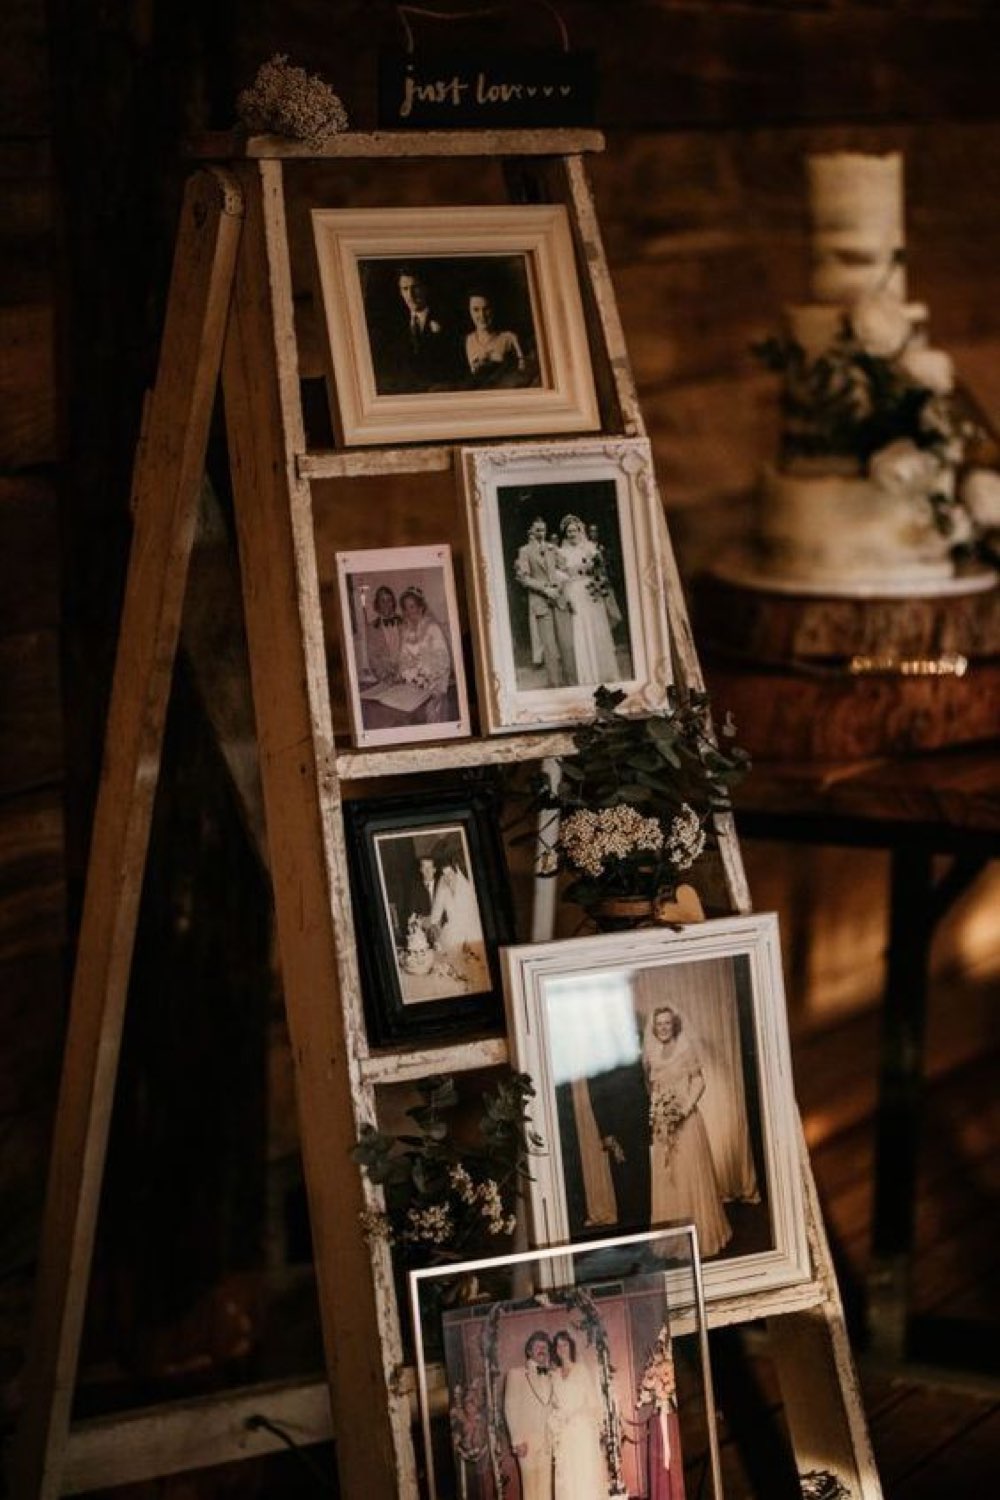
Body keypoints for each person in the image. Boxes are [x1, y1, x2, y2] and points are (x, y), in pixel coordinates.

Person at [642, 1006, 732, 1258]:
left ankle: (702, 1234)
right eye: (659, 1024)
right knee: (670, 1179)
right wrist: (658, 1112)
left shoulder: (685, 1049)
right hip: (663, 1126)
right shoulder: (653, 1053)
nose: (663, 1028)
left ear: (674, 1025)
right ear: (654, 1027)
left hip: (687, 1121)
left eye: (667, 1024)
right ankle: (672, 1238)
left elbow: (699, 1081)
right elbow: (655, 1089)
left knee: (689, 1175)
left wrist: (683, 1108)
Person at [553, 515, 620, 684]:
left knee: (598, 626)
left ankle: (604, 672)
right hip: (575, 591)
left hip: (592, 591)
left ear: (580, 530)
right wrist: (565, 587)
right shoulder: (561, 553)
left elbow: (600, 569)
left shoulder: (590, 548)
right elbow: (560, 574)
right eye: (568, 531)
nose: (572, 534)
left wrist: (598, 579)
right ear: (565, 533)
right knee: (580, 628)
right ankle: (587, 675)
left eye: (574, 530)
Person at [513, 514, 577, 687]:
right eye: (538, 530)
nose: (542, 532)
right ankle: (555, 684)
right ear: (531, 531)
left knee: (567, 645)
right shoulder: (524, 551)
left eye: (544, 529)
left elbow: (565, 570)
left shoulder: (552, 548)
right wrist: (545, 589)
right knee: (549, 648)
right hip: (542, 603)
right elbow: (523, 578)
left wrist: (559, 585)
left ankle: (572, 684)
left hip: (559, 600)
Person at [550, 1330, 611, 1498]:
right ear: (555, 1350)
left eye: (565, 1344)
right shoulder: (553, 1375)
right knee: (568, 1474)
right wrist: (558, 1419)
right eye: (558, 1345)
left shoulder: (581, 1370)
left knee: (584, 1472)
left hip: (582, 1429)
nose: (561, 1348)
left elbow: (591, 1401)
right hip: (564, 1432)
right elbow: (553, 1403)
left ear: (571, 1347)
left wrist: (584, 1419)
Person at [380, 265, 460, 393]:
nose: (410, 295)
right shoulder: (394, 326)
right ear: (400, 292)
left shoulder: (446, 321)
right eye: (405, 289)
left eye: (415, 287)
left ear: (425, 288)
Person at [427, 837, 488, 990]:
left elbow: (477, 913)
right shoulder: (442, 883)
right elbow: (436, 914)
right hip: (453, 932)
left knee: (476, 967)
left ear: (456, 869)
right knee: (451, 971)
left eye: (449, 875)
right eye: (444, 875)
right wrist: (433, 927)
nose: (447, 879)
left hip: (472, 929)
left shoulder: (468, 883)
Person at [504, 1331, 556, 1500]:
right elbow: (510, 1408)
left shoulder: (552, 1375)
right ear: (529, 1351)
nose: (542, 1350)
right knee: (530, 1490)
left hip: (548, 1441)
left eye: (545, 1347)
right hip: (527, 1443)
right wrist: (517, 1441)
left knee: (546, 1489)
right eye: (538, 1346)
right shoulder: (516, 1374)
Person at [397, 585, 453, 723]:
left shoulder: (433, 628)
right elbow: (403, 657)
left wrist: (428, 678)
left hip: (433, 685)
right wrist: (407, 673)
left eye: (412, 606)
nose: (409, 611)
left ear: (420, 606)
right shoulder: (405, 631)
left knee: (433, 719)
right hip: (413, 686)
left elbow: (443, 659)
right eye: (406, 608)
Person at [464, 290, 528, 386]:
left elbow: (524, 372)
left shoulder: (509, 338)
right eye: (476, 310)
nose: (482, 315)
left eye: (486, 309)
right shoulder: (469, 340)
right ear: (469, 311)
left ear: (493, 309)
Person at [366, 584, 403, 684]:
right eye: (382, 601)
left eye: (389, 600)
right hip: (386, 678)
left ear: (393, 603)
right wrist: (385, 676)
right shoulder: (372, 628)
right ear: (377, 604)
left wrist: (405, 673)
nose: (386, 604)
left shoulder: (405, 622)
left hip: (406, 674)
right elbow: (373, 657)